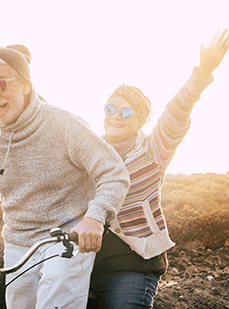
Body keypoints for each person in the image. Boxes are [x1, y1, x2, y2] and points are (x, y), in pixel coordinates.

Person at [0, 43, 130, 309]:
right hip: (18, 243)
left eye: (1, 84)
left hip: (66, 239)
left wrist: (95, 218)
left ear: (27, 85)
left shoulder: (64, 125)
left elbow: (114, 172)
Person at [86, 28, 229, 309]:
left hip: (132, 268)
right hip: (85, 267)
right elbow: (55, 125)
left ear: (140, 120)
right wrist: (17, 81)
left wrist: (201, 74)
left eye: (126, 112)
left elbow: (176, 113)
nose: (116, 116)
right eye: (110, 109)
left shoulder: (153, 150)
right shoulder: (90, 150)